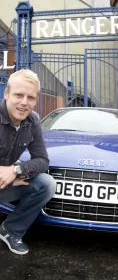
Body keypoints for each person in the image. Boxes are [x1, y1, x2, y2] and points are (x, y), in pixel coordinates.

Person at [0, 69, 56, 255]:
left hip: (6, 182)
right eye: (18, 95)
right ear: (6, 94)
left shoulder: (33, 121)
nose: (24, 103)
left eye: (30, 97)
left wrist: (16, 170)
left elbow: (42, 159)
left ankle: (10, 230)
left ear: (36, 100)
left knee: (46, 184)